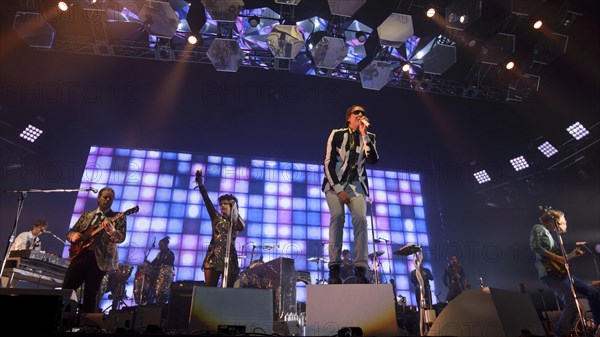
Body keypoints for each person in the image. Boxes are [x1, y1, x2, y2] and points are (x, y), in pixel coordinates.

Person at [322, 104, 379, 284]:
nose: (360, 115)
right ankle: (334, 268)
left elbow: (373, 160)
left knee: (361, 220)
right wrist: (338, 190)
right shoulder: (337, 134)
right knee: (338, 217)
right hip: (335, 185)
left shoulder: (369, 138)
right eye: (357, 112)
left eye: (363, 113)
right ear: (348, 117)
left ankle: (361, 268)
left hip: (357, 185)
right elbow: (328, 163)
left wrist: (364, 136)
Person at [530, 208, 600, 337]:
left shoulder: (551, 234)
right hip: (550, 274)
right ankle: (559, 334)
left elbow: (560, 260)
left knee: (593, 292)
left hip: (563, 274)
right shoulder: (539, 228)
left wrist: (572, 254)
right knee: (572, 303)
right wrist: (560, 258)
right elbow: (536, 247)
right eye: (564, 220)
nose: (566, 222)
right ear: (554, 221)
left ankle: (596, 326)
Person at [62, 187, 127, 313]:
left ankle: (86, 326)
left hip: (100, 260)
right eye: (105, 197)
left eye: (111, 198)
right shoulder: (87, 215)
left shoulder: (118, 217)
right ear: (98, 199)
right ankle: (60, 319)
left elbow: (121, 238)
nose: (108, 200)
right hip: (80, 256)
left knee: (91, 295)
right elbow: (71, 232)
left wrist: (112, 232)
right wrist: (73, 236)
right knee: (67, 289)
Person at [196, 169, 246, 287]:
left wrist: (234, 210)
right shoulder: (216, 217)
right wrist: (200, 184)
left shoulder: (235, 221)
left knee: (227, 291)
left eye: (225, 203)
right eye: (221, 204)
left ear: (231, 205)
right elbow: (207, 201)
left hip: (230, 258)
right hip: (214, 256)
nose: (222, 206)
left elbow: (241, 227)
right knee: (210, 288)